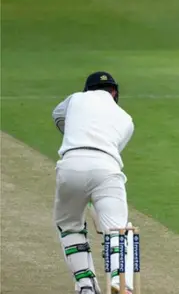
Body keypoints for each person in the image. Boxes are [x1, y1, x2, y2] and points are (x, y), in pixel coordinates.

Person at [52, 71, 135, 293]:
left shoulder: (75, 99)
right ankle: (121, 282)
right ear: (114, 92)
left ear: (87, 90)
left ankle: (86, 286)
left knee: (69, 226)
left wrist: (74, 132)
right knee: (118, 229)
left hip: (71, 164)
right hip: (107, 168)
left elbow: (57, 117)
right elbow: (112, 149)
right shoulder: (126, 119)